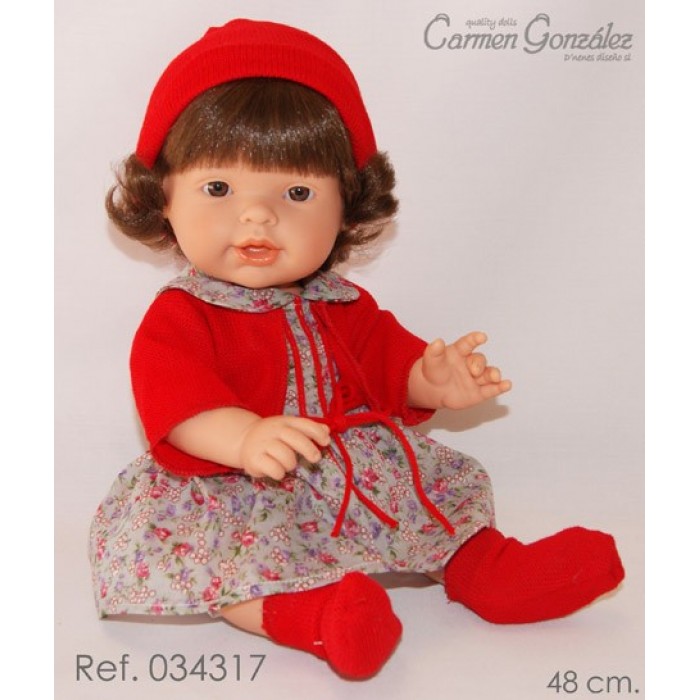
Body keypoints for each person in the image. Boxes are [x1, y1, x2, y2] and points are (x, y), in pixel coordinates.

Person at [89, 18, 624, 681]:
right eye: (219, 189)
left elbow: (385, 364)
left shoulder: (343, 304)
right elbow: (177, 403)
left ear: (347, 207)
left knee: (425, 500)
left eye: (298, 192)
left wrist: (431, 379)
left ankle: (486, 571)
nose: (258, 215)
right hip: (235, 483)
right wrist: (244, 437)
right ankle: (310, 616)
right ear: (162, 198)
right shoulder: (182, 315)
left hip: (346, 471)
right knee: (225, 565)